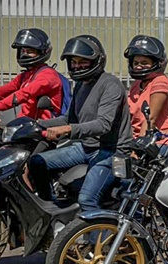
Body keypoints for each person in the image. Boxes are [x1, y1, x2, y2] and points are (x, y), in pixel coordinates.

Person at [26, 34, 133, 212]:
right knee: (37, 162)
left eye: (82, 61)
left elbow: (103, 125)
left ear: (97, 60)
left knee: (87, 199)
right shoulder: (81, 85)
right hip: (86, 148)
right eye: (73, 62)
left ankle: (96, 239)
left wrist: (68, 130)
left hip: (111, 151)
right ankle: (49, 210)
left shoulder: (111, 85)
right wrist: (35, 124)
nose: (76, 66)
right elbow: (69, 119)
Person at [0, 28, 64, 120]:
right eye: (22, 51)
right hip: (26, 125)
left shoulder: (47, 75)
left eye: (30, 51)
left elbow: (24, 93)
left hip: (45, 129)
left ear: (42, 52)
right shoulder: (26, 75)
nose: (25, 55)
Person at [123, 35, 168, 163]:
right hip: (135, 140)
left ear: (156, 63)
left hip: (159, 142)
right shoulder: (137, 84)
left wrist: (136, 151)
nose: (138, 67)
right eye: (136, 63)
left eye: (144, 63)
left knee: (132, 176)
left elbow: (150, 119)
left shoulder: (160, 82)